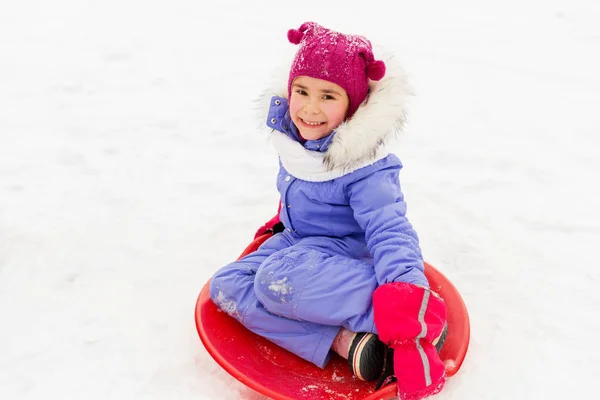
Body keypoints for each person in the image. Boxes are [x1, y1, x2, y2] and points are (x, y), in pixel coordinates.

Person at [209, 21, 448, 400]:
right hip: (299, 242)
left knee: (274, 280)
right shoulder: (297, 141)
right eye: (301, 91)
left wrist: (407, 293)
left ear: (352, 106)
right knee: (226, 286)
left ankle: (411, 316)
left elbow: (390, 231)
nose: (310, 108)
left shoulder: (366, 166)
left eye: (328, 96)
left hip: (348, 256)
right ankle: (346, 342)